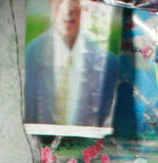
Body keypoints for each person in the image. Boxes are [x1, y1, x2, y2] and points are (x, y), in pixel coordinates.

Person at [24, 0, 119, 129]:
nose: (68, 9)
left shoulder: (110, 65)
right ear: (51, 2)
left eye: (76, 0)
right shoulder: (29, 57)